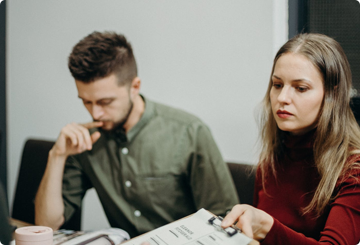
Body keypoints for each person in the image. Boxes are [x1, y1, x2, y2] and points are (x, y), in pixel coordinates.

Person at [35, 31, 238, 237]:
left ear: (135, 87)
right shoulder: (86, 141)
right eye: (86, 101)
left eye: (105, 102)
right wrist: (57, 156)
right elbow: (46, 226)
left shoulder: (190, 132)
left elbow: (224, 221)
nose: (95, 113)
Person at [222, 33, 360, 244]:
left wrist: (267, 227)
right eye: (277, 85)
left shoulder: (353, 171)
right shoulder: (272, 160)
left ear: (332, 96)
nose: (283, 98)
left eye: (301, 88)